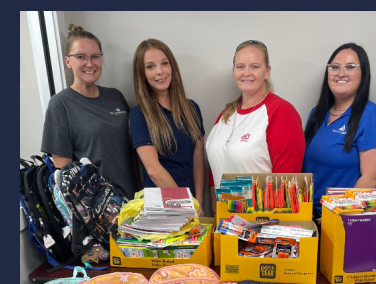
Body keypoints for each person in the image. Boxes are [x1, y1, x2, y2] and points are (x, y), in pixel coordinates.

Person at [42, 24, 138, 197]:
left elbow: (131, 153)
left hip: (131, 200)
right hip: (96, 211)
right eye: (81, 57)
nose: (89, 63)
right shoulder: (60, 104)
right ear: (68, 61)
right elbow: (64, 173)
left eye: (95, 56)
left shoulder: (115, 97)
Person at [301, 43, 376, 220]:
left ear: (363, 74)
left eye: (350, 67)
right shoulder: (317, 113)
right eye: (334, 67)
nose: (341, 73)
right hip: (309, 214)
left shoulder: (372, 117)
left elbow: (372, 178)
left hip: (341, 219)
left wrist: (334, 213)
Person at [204, 40, 305, 189]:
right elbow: (216, 170)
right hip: (223, 212)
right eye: (240, 67)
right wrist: (215, 211)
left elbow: (287, 183)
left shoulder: (282, 112)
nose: (246, 73)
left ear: (267, 71)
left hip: (262, 212)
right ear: (234, 71)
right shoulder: (226, 115)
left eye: (255, 67)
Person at [129, 39, 206, 209]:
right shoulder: (139, 114)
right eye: (150, 66)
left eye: (164, 63)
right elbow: (153, 170)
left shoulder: (192, 108)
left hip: (191, 204)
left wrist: (199, 202)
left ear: (172, 67)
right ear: (142, 73)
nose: (160, 71)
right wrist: (185, 205)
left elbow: (198, 158)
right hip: (158, 207)